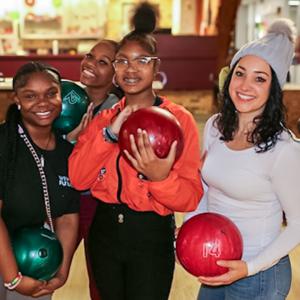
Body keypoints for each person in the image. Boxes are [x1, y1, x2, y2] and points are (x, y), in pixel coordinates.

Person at [68, 2, 203, 299]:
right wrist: (108, 135)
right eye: (122, 61)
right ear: (114, 70)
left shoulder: (179, 120)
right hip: (104, 232)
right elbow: (78, 179)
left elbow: (191, 196)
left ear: (156, 67)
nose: (131, 69)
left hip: (151, 233)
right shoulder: (103, 120)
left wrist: (160, 178)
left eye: (142, 60)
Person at [191, 19, 300, 299]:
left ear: (273, 89)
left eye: (259, 78)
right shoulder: (215, 127)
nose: (245, 85)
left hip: (260, 274)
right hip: (215, 263)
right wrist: (192, 231)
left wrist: (249, 267)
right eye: (240, 73)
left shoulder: (283, 149)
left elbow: (298, 225)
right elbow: (206, 188)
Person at [0, 62, 80, 300]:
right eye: (30, 96)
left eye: (51, 94)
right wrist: (13, 278)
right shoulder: (4, 143)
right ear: (17, 99)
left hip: (34, 261)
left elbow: (67, 216)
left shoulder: (67, 152)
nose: (43, 103)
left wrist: (62, 271)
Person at [66, 39, 122, 300]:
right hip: (61, 200)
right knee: (44, 270)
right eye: (90, 55)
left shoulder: (117, 113)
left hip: (96, 204)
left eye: (103, 62)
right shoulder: (65, 100)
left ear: (116, 74)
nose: (90, 64)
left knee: (100, 280)